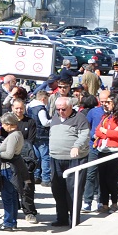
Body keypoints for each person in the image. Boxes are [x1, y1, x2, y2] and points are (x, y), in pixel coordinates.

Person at [49, 96, 91, 227]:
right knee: (57, 189)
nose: (60, 111)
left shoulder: (80, 118)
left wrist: (76, 146)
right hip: (56, 158)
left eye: (63, 109)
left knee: (73, 189)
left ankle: (74, 219)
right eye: (58, 109)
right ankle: (61, 217)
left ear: (71, 107)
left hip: (74, 159)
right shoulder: (55, 117)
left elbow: (85, 135)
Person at [93, 94, 118, 213]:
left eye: (109, 102)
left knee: (112, 179)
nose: (106, 104)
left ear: (115, 102)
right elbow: (97, 131)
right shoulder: (106, 116)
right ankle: (104, 204)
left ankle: (114, 203)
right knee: (102, 179)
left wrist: (105, 132)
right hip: (103, 150)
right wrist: (107, 132)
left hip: (116, 151)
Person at [0, 113, 26, 232]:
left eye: (3, 124)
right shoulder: (16, 134)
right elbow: (5, 147)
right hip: (12, 168)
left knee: (7, 197)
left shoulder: (13, 136)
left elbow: (8, 154)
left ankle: (8, 222)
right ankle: (12, 221)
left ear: (9, 124)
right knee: (12, 196)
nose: (2, 126)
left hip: (8, 168)